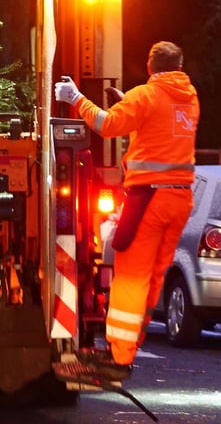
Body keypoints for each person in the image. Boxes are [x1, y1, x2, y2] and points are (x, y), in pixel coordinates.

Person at [55, 41, 199, 378]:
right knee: (152, 279)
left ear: (150, 67)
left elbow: (106, 126)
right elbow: (160, 126)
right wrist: (127, 104)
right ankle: (130, 347)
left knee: (131, 277)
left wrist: (75, 98)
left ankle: (118, 357)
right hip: (179, 201)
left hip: (150, 199)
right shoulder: (189, 98)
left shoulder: (146, 95)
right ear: (178, 66)